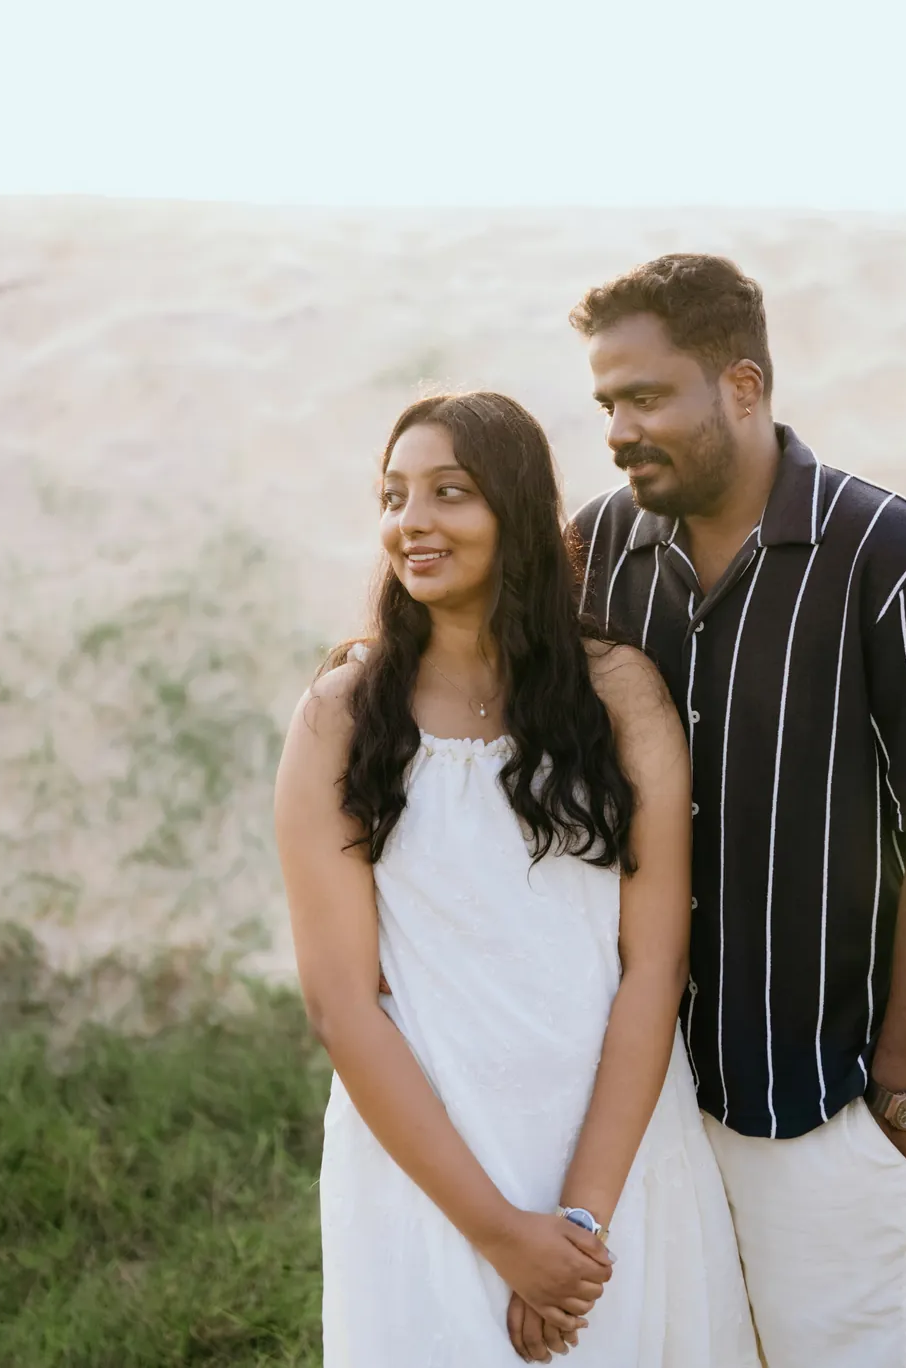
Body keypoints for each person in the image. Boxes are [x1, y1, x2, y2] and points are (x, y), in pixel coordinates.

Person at [568, 255, 906, 1368]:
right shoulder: (598, 551)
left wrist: (898, 1088)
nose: (619, 430)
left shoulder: (885, 552)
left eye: (645, 397)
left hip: (817, 1095)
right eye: (606, 403)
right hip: (637, 1102)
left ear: (743, 386)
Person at [274, 390, 761, 1367]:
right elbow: (341, 1003)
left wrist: (579, 1219)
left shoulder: (619, 693)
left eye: (449, 492)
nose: (412, 521)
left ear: (519, 510)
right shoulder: (342, 713)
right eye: (394, 495)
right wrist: (501, 1233)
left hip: (610, 1146)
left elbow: (654, 966)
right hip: (428, 1159)